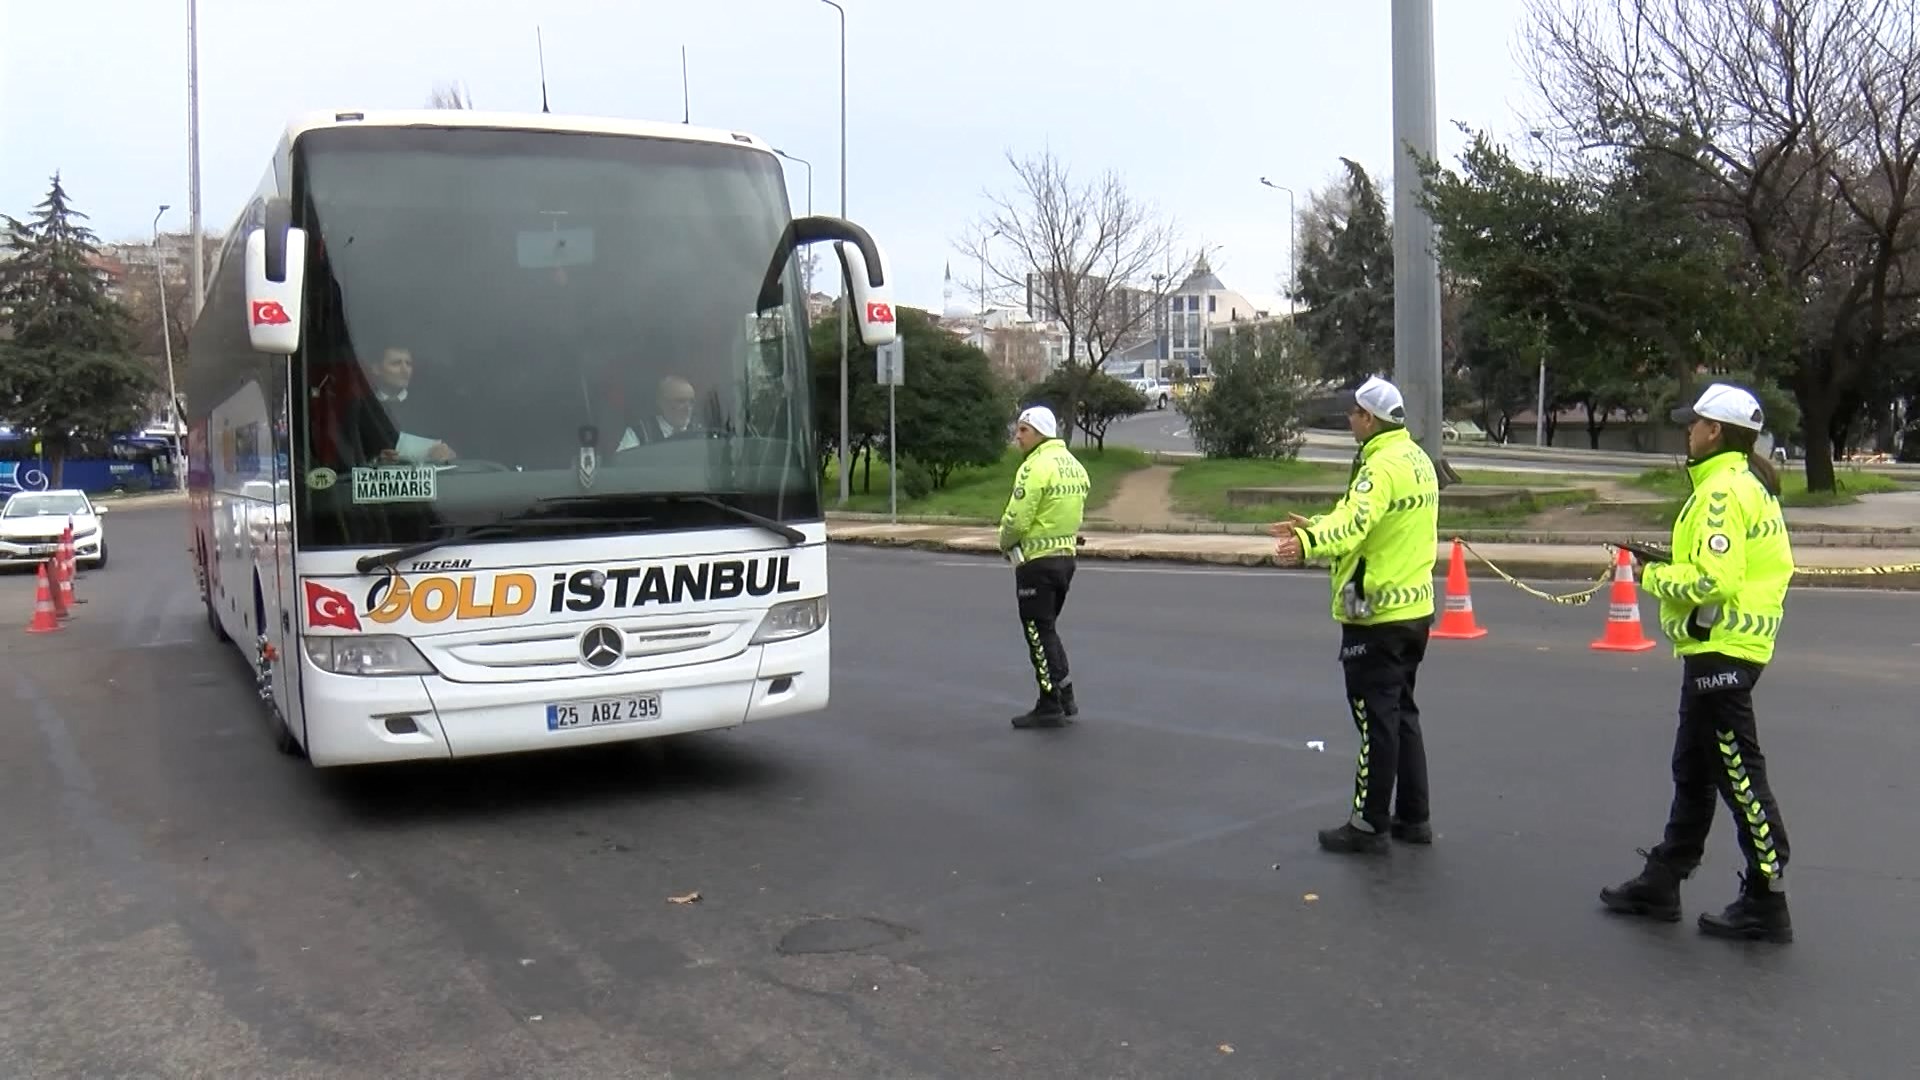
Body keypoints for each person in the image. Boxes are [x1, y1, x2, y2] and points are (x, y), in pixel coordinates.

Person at [1600, 383, 1796, 944]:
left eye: (1695, 423)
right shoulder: (1744, 483)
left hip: (1723, 651)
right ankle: (1664, 879)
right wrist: (1666, 561)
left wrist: (1650, 576)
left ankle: (1768, 898)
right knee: (1695, 770)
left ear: (1714, 432)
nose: (1687, 430)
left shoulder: (1722, 491)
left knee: (1739, 777)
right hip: (1721, 648)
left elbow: (1716, 578)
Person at [1271, 375, 1440, 855]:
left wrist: (1306, 543)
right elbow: (1364, 521)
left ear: (1370, 418)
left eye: (1353, 413)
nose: (1348, 420)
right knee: (1401, 712)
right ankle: (1414, 817)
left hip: (1374, 610)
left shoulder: (1378, 466)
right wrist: (1318, 524)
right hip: (1414, 608)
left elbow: (1356, 524)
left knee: (1374, 718)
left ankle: (1369, 824)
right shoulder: (1416, 460)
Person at [997, 405, 1090, 729]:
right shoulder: (1074, 466)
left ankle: (1049, 703)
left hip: (1036, 563)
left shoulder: (1035, 467)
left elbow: (1017, 518)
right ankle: (1066, 696)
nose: (1018, 436)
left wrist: (1004, 541)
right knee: (1047, 628)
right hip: (1066, 561)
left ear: (1039, 433)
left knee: (1037, 631)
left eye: (1023, 430)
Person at [364, 346, 457, 465]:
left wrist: (447, 452)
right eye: (396, 363)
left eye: (408, 364)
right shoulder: (363, 408)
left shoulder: (432, 406)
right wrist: (376, 460)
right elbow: (353, 456)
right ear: (376, 369)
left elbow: (458, 450)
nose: (405, 370)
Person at [615, 374, 700, 450]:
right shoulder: (639, 432)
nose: (688, 408)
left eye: (691, 402)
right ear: (662, 403)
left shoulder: (701, 430)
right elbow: (622, 465)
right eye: (680, 401)